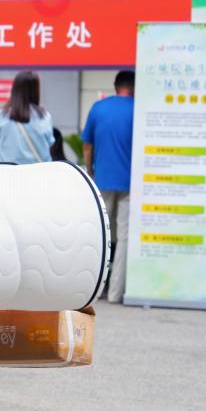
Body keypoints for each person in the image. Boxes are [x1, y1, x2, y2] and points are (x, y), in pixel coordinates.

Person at [82, 71, 135, 304]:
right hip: (130, 184)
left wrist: (90, 170)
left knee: (100, 235)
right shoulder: (138, 110)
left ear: (115, 86)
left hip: (102, 180)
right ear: (133, 87)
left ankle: (92, 289)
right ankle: (115, 293)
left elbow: (87, 146)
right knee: (124, 237)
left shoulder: (98, 108)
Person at [0, 71, 54, 164]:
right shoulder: (44, 116)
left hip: (5, 170)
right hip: (37, 171)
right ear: (36, 90)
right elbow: (49, 143)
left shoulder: (1, 115)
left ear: (15, 89)